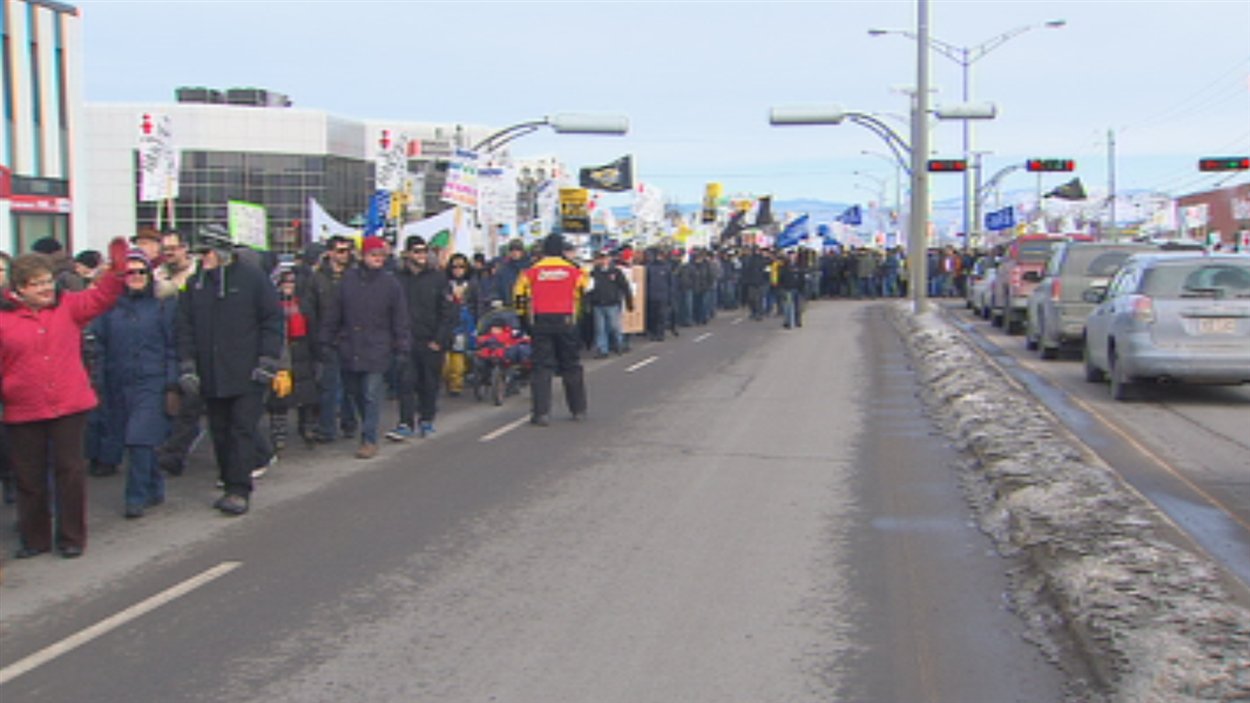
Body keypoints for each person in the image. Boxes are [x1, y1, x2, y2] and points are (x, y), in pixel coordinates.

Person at [0, 238, 129, 559]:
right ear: (18, 288)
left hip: (69, 404)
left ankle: (72, 537)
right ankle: (35, 538)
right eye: (37, 284)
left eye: (48, 281)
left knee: (69, 472)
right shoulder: (4, 320)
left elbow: (101, 298)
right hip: (23, 408)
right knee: (28, 478)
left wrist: (116, 272)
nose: (46, 289)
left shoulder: (69, 305)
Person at [176, 225, 283, 515]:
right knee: (219, 431)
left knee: (241, 429)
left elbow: (272, 320)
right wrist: (187, 365)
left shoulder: (252, 279)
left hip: (247, 372)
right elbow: (184, 326)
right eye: (200, 253)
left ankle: (239, 489)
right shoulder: (195, 284)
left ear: (222, 251)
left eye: (207, 252)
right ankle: (228, 479)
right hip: (211, 374)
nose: (203, 258)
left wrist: (268, 361)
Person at [95, 248, 177, 518]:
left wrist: (172, 382)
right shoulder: (109, 308)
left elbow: (172, 346)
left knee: (138, 438)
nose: (136, 277)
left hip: (151, 380)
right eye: (130, 272)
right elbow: (99, 344)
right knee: (134, 436)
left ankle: (135, 496)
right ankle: (154, 485)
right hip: (118, 381)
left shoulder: (162, 305)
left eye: (141, 271)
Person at [321, 236, 409, 459]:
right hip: (350, 345)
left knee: (371, 393)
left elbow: (400, 317)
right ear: (363, 255)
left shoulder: (390, 284)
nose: (378, 259)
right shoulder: (347, 281)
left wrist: (401, 345)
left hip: (378, 347)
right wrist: (327, 339)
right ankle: (366, 427)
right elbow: (334, 313)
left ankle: (369, 439)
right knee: (354, 392)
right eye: (374, 255)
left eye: (381, 255)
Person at [513, 233, 589, 426]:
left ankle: (541, 413)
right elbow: (586, 291)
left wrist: (524, 320)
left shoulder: (530, 272)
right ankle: (578, 409)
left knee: (541, 367)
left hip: (540, 321)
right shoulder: (574, 271)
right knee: (571, 365)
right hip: (566, 320)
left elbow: (518, 297)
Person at [390, 236, 451, 440]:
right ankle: (406, 422)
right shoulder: (397, 278)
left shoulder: (437, 278)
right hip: (406, 340)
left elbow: (448, 311)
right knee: (406, 383)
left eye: (424, 251)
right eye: (417, 251)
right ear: (407, 253)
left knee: (429, 383)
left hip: (431, 340)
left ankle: (427, 419)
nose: (421, 255)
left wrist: (440, 339)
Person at [306, 235, 357, 443]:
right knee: (329, 385)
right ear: (330, 253)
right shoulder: (317, 278)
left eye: (347, 251)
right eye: (340, 251)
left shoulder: (354, 275)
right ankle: (327, 428)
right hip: (328, 338)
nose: (344, 255)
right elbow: (310, 310)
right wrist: (318, 337)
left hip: (352, 338)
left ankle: (349, 423)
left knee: (350, 386)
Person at [266, 264, 320, 451]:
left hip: (302, 352)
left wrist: (317, 353)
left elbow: (312, 328)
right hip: (281, 354)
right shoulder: (271, 305)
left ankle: (307, 430)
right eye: (285, 281)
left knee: (306, 397)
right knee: (279, 397)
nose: (289, 285)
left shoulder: (303, 304)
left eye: (292, 281)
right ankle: (278, 435)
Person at [442, 252, 479, 397]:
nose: (458, 270)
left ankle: (456, 385)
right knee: (445, 362)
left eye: (461, 267)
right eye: (454, 267)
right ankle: (449, 380)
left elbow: (478, 304)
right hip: (447, 323)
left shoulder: (472, 284)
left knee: (458, 354)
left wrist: (478, 322)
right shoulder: (444, 284)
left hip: (465, 323)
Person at [587, 249, 634, 357]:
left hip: (612, 304)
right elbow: (589, 289)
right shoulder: (594, 272)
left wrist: (629, 302)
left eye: (605, 257)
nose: (603, 260)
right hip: (598, 304)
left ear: (609, 259)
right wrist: (589, 302)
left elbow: (625, 287)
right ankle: (603, 350)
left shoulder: (616, 272)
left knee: (615, 327)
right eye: (601, 258)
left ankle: (619, 345)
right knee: (600, 329)